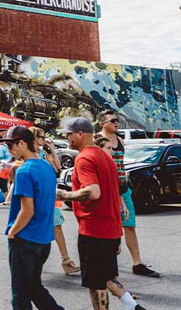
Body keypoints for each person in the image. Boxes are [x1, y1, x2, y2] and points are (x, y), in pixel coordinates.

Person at [56, 118, 144, 310]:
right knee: (106, 277)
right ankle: (133, 306)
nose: (66, 137)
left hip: (94, 230)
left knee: (95, 284)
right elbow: (113, 192)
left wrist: (64, 194)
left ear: (80, 134)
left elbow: (93, 192)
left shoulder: (85, 158)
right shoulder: (106, 157)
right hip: (110, 228)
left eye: (68, 134)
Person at [3, 126, 64, 310]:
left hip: (25, 240)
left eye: (11, 145)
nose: (9, 150)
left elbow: (27, 210)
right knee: (34, 287)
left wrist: (12, 232)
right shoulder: (47, 167)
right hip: (43, 240)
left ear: (22, 143)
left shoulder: (24, 171)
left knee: (20, 295)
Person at [98, 110, 160, 278]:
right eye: (113, 120)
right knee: (107, 228)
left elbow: (122, 165)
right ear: (103, 123)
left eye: (117, 120)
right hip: (106, 190)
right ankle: (104, 266)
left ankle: (137, 263)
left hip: (123, 188)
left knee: (129, 225)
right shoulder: (97, 140)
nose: (117, 123)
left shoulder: (120, 140)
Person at [30, 126, 80, 276]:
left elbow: (57, 167)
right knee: (40, 228)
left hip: (49, 196)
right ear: (34, 138)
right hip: (39, 197)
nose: (44, 140)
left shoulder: (43, 153)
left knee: (57, 226)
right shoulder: (30, 155)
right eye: (41, 138)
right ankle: (31, 261)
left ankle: (66, 260)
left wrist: (51, 149)